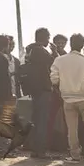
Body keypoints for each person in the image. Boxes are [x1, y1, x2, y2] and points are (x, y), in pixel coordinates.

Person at [50, 36, 84, 161]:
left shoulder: (59, 60)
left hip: (67, 98)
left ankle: (74, 154)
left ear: (70, 44)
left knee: (71, 128)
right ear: (82, 46)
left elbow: (54, 79)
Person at [18, 29, 53, 158]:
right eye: (48, 37)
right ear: (44, 38)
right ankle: (40, 150)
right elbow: (53, 65)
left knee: (36, 120)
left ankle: (34, 148)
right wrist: (54, 52)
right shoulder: (41, 51)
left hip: (34, 90)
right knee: (42, 121)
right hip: (43, 89)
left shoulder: (29, 51)